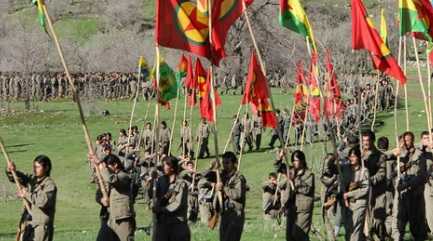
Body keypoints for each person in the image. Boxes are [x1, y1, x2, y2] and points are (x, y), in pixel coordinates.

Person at [6, 155, 57, 241]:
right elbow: (16, 177)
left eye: (37, 167)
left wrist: (26, 194)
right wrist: (11, 170)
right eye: (34, 167)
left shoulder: (50, 185)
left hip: (40, 229)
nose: (34, 169)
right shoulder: (31, 179)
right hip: (28, 225)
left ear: (46, 168)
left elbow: (43, 202)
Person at [391, 131, 427, 241]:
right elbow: (393, 173)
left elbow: (420, 176)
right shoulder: (399, 155)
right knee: (399, 223)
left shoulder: (419, 155)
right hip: (401, 196)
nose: (406, 143)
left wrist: (408, 184)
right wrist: (398, 159)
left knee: (416, 225)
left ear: (412, 140)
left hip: (415, 194)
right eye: (404, 141)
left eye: (408, 140)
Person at [96, 154, 135, 241]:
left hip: (122, 219)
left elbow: (111, 179)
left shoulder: (124, 176)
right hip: (110, 219)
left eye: (108, 166)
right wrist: (102, 200)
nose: (107, 170)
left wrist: (103, 168)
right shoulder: (109, 179)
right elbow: (99, 193)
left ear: (115, 165)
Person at [152, 156, 191, 241]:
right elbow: (153, 195)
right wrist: (153, 181)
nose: (163, 167)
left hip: (177, 223)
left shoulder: (181, 184)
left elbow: (177, 204)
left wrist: (161, 210)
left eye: (165, 165)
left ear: (172, 167)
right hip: (163, 223)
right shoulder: (161, 180)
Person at [361, 130, 386, 241]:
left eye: (368, 140)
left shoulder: (379, 155)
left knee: (377, 220)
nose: (365, 143)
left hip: (376, 192)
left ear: (373, 140)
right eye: (364, 140)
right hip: (361, 192)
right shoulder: (359, 155)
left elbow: (381, 173)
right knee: (363, 220)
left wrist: (370, 180)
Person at [216, 152, 247, 241]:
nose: (225, 165)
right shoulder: (222, 176)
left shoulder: (238, 178)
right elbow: (204, 176)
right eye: (223, 163)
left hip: (235, 214)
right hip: (224, 212)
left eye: (227, 163)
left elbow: (238, 194)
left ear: (233, 164)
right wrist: (212, 167)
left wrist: (224, 188)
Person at [285, 150, 315, 241]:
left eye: (296, 160)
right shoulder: (291, 172)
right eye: (293, 161)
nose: (294, 163)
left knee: (299, 234)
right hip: (291, 207)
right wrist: (279, 158)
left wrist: (294, 183)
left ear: (302, 161)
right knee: (289, 235)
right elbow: (279, 168)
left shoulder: (309, 174)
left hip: (303, 207)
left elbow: (307, 189)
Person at [342, 147, 370, 241]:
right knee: (348, 231)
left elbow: (365, 189)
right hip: (348, 205)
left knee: (355, 230)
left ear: (358, 157)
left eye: (354, 156)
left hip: (359, 204)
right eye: (350, 156)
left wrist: (349, 194)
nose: (351, 158)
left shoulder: (364, 171)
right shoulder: (346, 170)